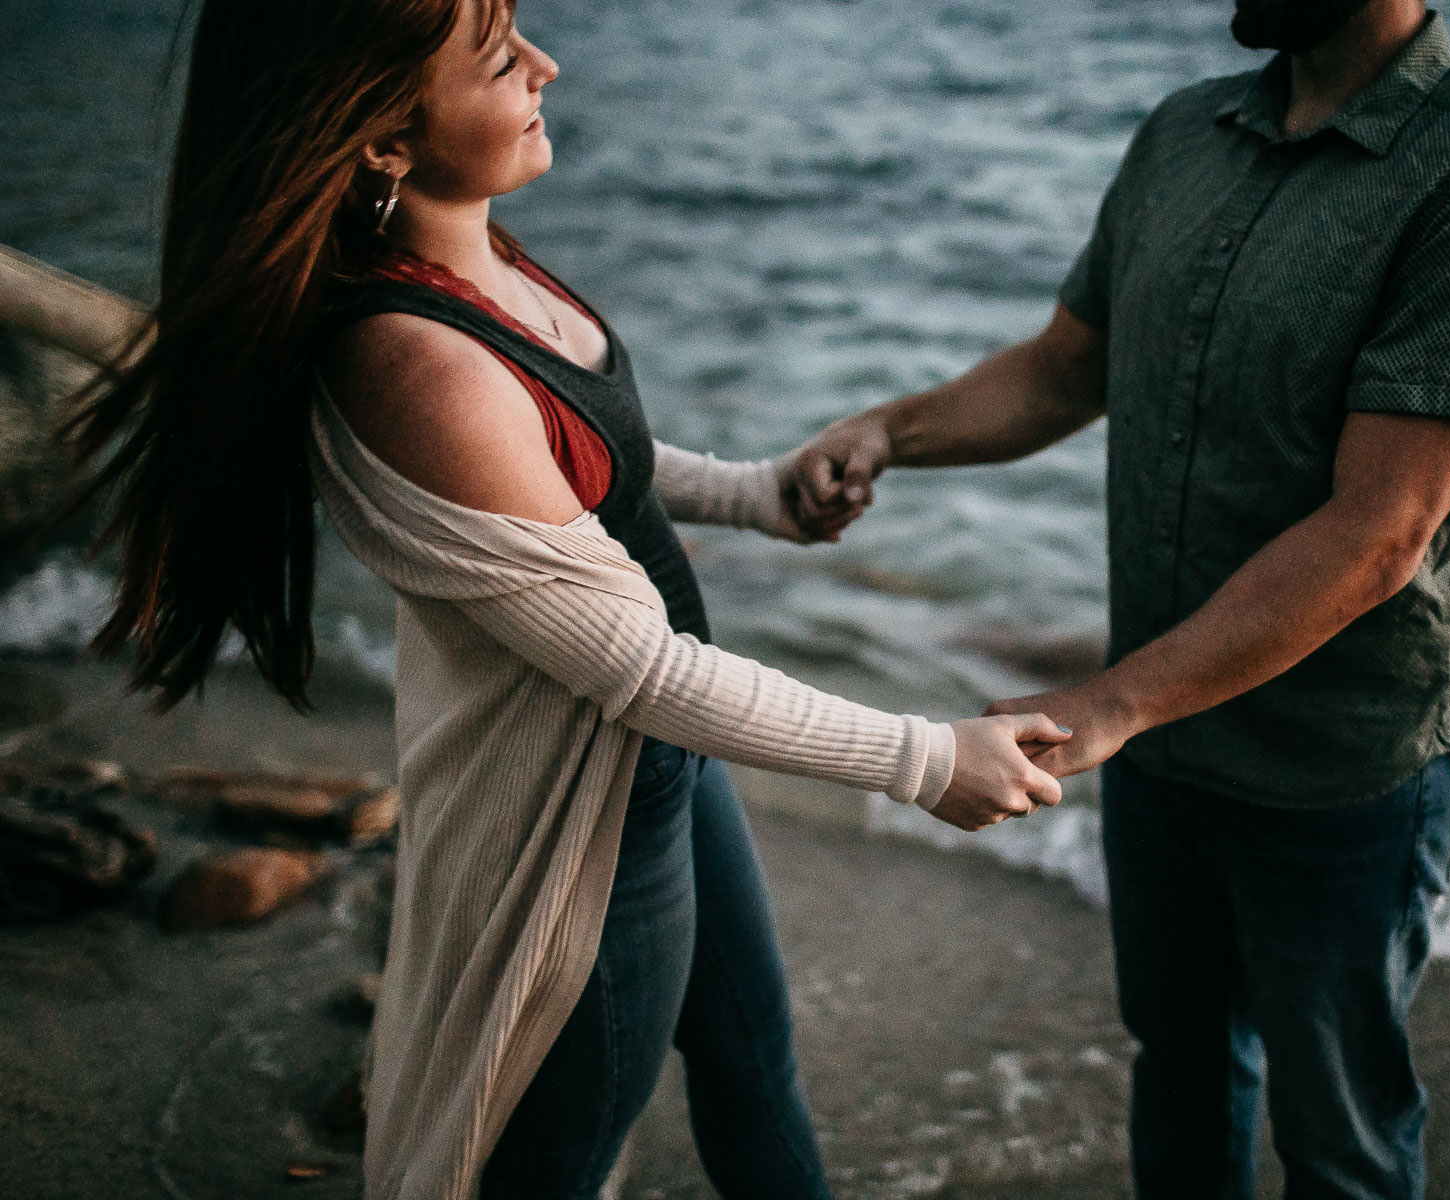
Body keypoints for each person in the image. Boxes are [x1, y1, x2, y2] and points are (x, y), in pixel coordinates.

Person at [64, 1, 1071, 1198]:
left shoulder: (483, 258)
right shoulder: (414, 364)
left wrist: (758, 496)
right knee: (558, 1164)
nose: (549, 65)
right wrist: (923, 758)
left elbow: (595, 462)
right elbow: (636, 670)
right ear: (384, 137)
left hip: (669, 766)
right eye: (499, 59)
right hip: (584, 828)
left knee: (754, 1061)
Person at [786, 0, 1450, 1196]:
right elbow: (1065, 368)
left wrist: (1113, 704)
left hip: (1340, 770)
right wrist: (888, 430)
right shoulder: (1181, 133)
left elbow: (1379, 536)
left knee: (1343, 1143)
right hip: (1162, 753)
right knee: (1184, 1071)